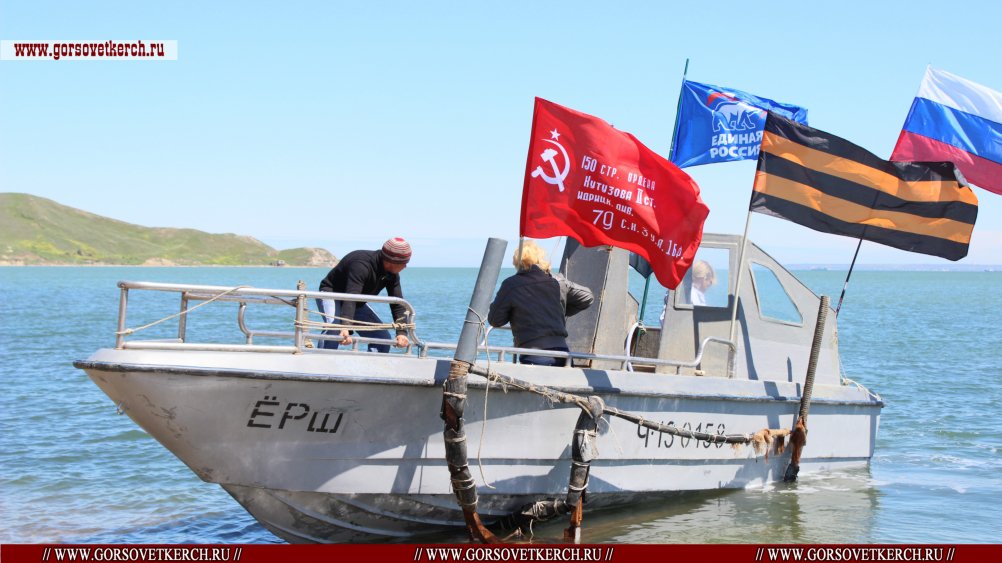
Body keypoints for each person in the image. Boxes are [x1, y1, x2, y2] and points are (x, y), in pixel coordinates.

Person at [488, 241, 593, 366]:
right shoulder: (557, 281)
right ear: (540, 258)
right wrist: (560, 310)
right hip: (563, 354)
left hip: (534, 354)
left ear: (517, 261)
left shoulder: (511, 285)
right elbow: (588, 297)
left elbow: (495, 320)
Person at [316, 237, 412, 353]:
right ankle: (323, 363)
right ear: (391, 261)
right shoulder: (361, 264)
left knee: (382, 338)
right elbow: (351, 295)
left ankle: (372, 369)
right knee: (334, 330)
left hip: (355, 302)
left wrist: (402, 333)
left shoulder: (392, 275)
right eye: (404, 263)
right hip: (331, 294)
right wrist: (345, 326)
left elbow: (397, 304)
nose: (406, 266)